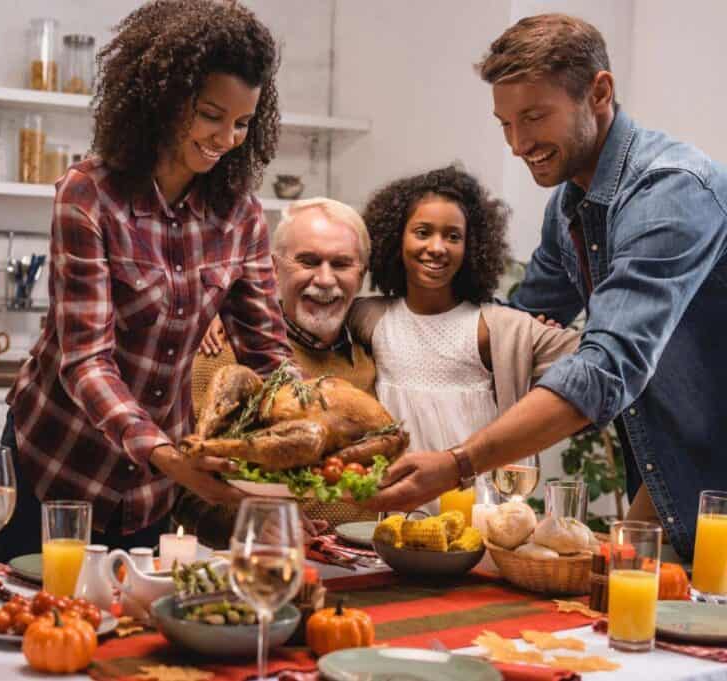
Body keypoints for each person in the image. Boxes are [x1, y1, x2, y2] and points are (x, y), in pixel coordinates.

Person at [369, 14, 727, 560]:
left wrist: (458, 462)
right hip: (674, 478)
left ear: (599, 92)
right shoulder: (569, 206)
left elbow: (604, 368)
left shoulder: (670, 191)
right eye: (505, 124)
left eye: (534, 117)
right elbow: (513, 324)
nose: (518, 144)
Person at [0, 0, 293, 560]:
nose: (226, 137)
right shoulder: (90, 196)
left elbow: (268, 354)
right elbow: (84, 360)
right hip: (57, 470)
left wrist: (314, 426)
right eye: (210, 114)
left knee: (131, 639)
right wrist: (162, 451)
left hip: (154, 489)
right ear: (165, 98)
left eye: (242, 122)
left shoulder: (241, 215)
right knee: (36, 630)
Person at [349, 165, 578, 511]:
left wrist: (537, 344)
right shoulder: (368, 318)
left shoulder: (500, 328)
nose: (437, 247)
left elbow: (599, 361)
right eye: (423, 232)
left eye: (453, 236)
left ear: (472, 247)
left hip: (482, 528)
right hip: (394, 527)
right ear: (396, 238)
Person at [180, 197, 377, 545]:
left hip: (373, 571)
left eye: (342, 264)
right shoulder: (221, 360)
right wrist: (246, 518)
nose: (325, 279)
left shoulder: (376, 356)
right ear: (272, 269)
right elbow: (183, 488)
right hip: (262, 568)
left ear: (361, 275)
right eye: (308, 261)